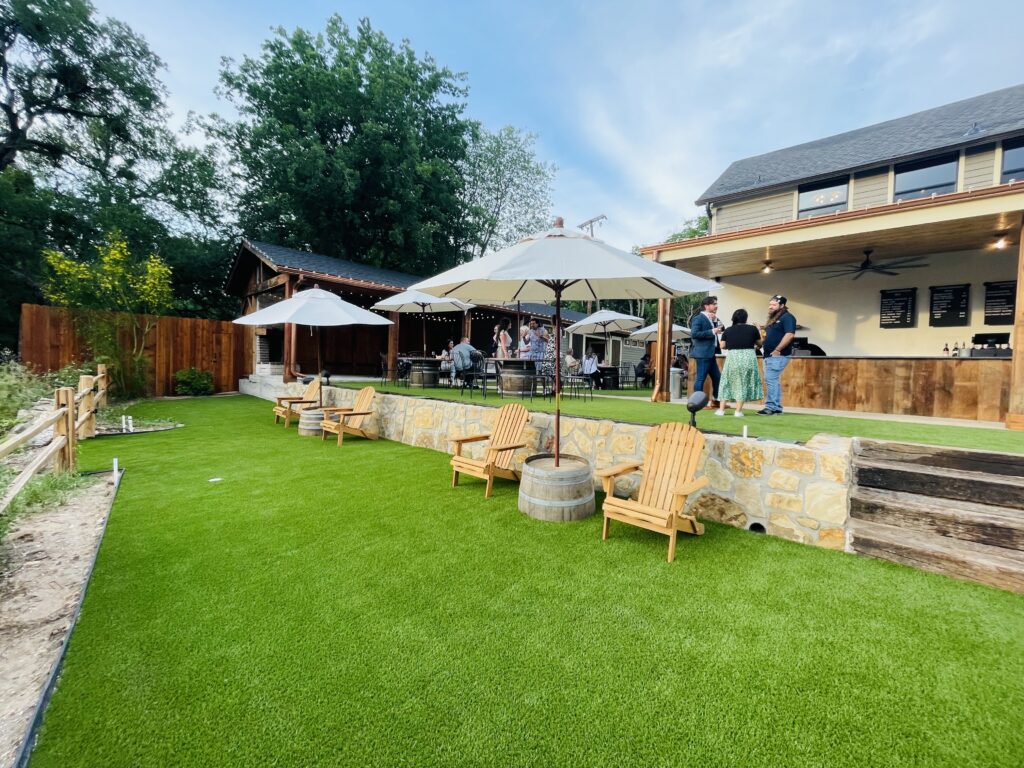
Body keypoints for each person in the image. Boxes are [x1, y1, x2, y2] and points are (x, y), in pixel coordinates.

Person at [716, 309, 763, 417]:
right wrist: (759, 330)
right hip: (748, 357)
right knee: (743, 382)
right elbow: (760, 343)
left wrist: (732, 345)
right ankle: (738, 411)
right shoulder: (752, 329)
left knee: (726, 381)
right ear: (746, 318)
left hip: (733, 357)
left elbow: (722, 346)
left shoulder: (728, 330)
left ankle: (721, 410)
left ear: (734, 318)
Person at [758, 295, 797, 415]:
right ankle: (776, 407)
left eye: (774, 304)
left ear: (782, 305)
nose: (770, 307)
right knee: (773, 380)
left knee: (771, 380)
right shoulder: (774, 318)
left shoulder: (787, 317)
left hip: (778, 355)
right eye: (770, 304)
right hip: (769, 354)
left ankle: (771, 407)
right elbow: (768, 335)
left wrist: (777, 349)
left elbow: (790, 334)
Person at [690, 296, 723, 407]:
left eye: (716, 303)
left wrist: (715, 320)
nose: (716, 306)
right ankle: (696, 402)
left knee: (717, 378)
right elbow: (694, 334)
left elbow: (723, 328)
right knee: (700, 379)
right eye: (714, 304)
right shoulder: (698, 319)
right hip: (703, 354)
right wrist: (711, 331)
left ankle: (716, 401)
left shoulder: (712, 318)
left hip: (711, 354)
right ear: (706, 306)